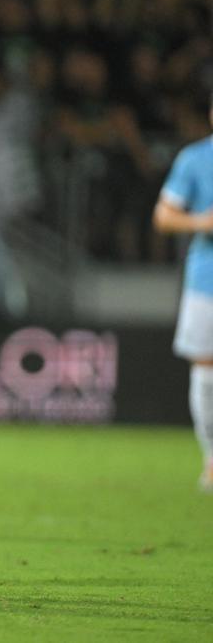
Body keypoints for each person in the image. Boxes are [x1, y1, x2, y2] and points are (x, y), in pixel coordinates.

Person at [153, 91, 213, 491]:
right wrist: (204, 221)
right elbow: (164, 216)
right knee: (206, 368)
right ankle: (211, 459)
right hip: (207, 282)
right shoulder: (196, 158)